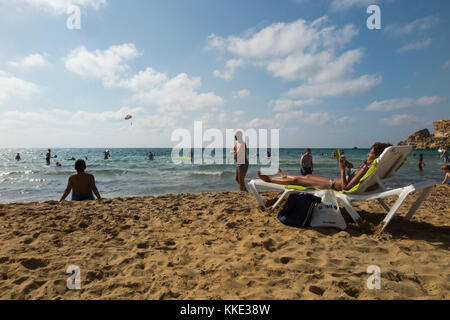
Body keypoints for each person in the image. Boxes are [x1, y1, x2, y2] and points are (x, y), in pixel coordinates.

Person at [258, 142, 392, 191]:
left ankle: (270, 180)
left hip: (331, 185)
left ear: (375, 156)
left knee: (298, 181)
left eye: (371, 153)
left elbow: (346, 187)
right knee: (308, 176)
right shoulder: (368, 168)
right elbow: (354, 178)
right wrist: (350, 167)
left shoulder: (366, 169)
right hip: (331, 181)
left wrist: (342, 169)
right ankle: (284, 175)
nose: (368, 154)